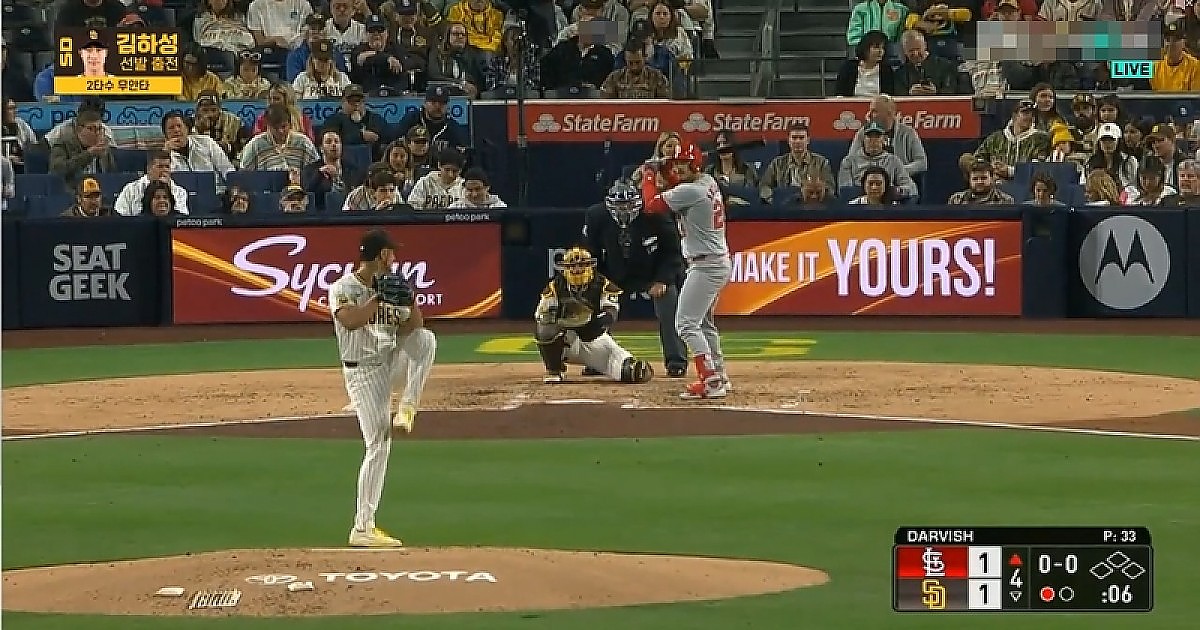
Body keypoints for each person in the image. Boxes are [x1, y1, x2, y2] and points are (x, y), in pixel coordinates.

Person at [328, 228, 438, 547]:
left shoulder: (393, 284)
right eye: (391, 253)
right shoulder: (343, 287)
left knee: (426, 340)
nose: (395, 258)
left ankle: (407, 408)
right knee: (378, 442)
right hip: (363, 372)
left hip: (391, 360)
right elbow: (350, 321)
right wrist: (377, 298)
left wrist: (409, 300)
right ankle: (362, 527)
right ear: (381, 255)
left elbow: (414, 328)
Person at [640, 142, 731, 399]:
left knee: (685, 324)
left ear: (695, 166)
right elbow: (676, 184)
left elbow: (651, 205)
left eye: (684, 164)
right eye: (676, 164)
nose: (678, 168)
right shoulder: (707, 182)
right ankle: (718, 374)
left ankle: (710, 381)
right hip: (714, 262)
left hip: (706, 266)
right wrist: (663, 169)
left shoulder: (691, 191)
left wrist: (649, 174)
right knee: (703, 324)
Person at [583, 181, 688, 377]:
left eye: (628, 205)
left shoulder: (656, 214)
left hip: (651, 273)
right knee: (591, 301)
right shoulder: (596, 216)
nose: (623, 211)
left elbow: (673, 252)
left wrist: (662, 280)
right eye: (619, 206)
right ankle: (597, 360)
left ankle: (676, 360)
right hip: (613, 273)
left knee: (669, 303)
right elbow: (591, 253)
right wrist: (600, 282)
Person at [534, 246, 655, 385]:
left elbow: (611, 313)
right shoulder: (555, 286)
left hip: (594, 338)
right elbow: (540, 315)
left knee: (631, 372)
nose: (577, 269)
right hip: (567, 342)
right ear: (565, 268)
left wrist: (591, 320)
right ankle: (554, 370)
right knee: (545, 329)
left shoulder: (603, 284)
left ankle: (602, 366)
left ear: (590, 266)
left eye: (581, 265)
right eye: (572, 266)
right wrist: (561, 318)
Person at [837, 121, 919, 198]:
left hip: (887, 202)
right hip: (859, 203)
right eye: (869, 137)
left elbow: (912, 189)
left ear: (884, 139)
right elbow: (845, 190)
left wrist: (895, 191)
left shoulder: (893, 161)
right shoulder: (849, 161)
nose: (873, 141)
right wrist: (869, 192)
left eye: (877, 136)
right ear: (863, 139)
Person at [48, 109, 115, 190]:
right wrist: (88, 155)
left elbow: (112, 176)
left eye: (100, 128)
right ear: (79, 130)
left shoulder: (104, 149)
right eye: (92, 128)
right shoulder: (62, 145)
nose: (97, 133)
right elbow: (57, 171)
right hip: (70, 192)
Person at [240, 104, 320, 171]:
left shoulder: (304, 142)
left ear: (290, 123)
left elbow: (315, 170)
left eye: (284, 126)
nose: (281, 131)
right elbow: (244, 174)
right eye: (275, 128)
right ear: (268, 126)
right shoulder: (255, 144)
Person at [115, 150, 190, 215]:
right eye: (160, 166)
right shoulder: (130, 189)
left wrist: (168, 188)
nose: (165, 170)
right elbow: (121, 215)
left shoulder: (180, 192)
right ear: (149, 169)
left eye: (167, 167)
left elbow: (181, 218)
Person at [835, 30, 894, 97]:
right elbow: (840, 94)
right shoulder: (848, 67)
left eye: (883, 48)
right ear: (865, 48)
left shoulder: (886, 70)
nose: (881, 51)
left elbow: (888, 96)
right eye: (876, 47)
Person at [1087, 122, 1138, 188]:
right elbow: (1084, 183)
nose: (1107, 144)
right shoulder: (1090, 161)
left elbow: (1133, 186)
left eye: (1111, 140)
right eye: (1103, 140)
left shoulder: (1129, 161)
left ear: (1118, 141)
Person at [948, 159, 1017, 204]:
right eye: (975, 179)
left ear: (992, 178)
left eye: (983, 178)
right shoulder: (956, 200)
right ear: (969, 180)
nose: (979, 182)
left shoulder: (1005, 200)